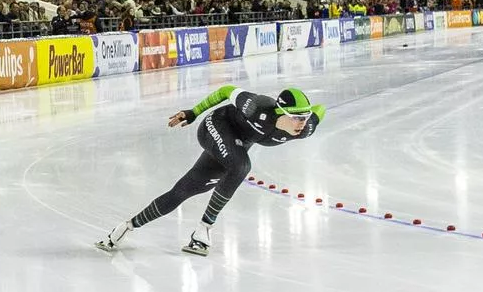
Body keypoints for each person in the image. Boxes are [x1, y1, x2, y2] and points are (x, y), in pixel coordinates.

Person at [96, 86, 325, 257]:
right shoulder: (256, 107)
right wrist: (193, 112)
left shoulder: (304, 129)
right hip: (215, 126)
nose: (301, 123)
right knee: (241, 165)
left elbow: (319, 111)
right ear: (280, 111)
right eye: (296, 117)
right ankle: (204, 229)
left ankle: (125, 228)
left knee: (183, 191)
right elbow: (226, 91)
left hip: (235, 144)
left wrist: (310, 113)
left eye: (304, 118)